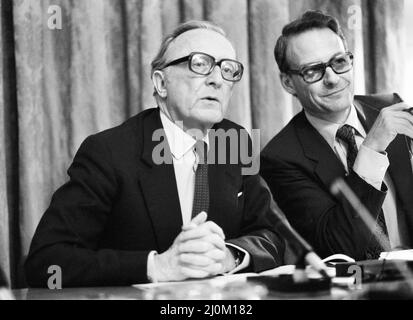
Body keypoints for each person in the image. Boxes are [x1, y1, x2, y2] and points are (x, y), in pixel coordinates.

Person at [25, 21, 285, 287]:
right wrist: (156, 266)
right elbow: (46, 263)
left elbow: (271, 234)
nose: (217, 79)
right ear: (161, 83)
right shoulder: (109, 151)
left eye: (228, 69)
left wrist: (230, 256)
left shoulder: (235, 141)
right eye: (200, 64)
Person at [260, 10, 413, 261]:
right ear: (288, 83)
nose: (332, 79)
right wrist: (371, 150)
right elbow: (340, 246)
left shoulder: (391, 107)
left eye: (339, 62)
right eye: (312, 71)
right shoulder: (280, 157)